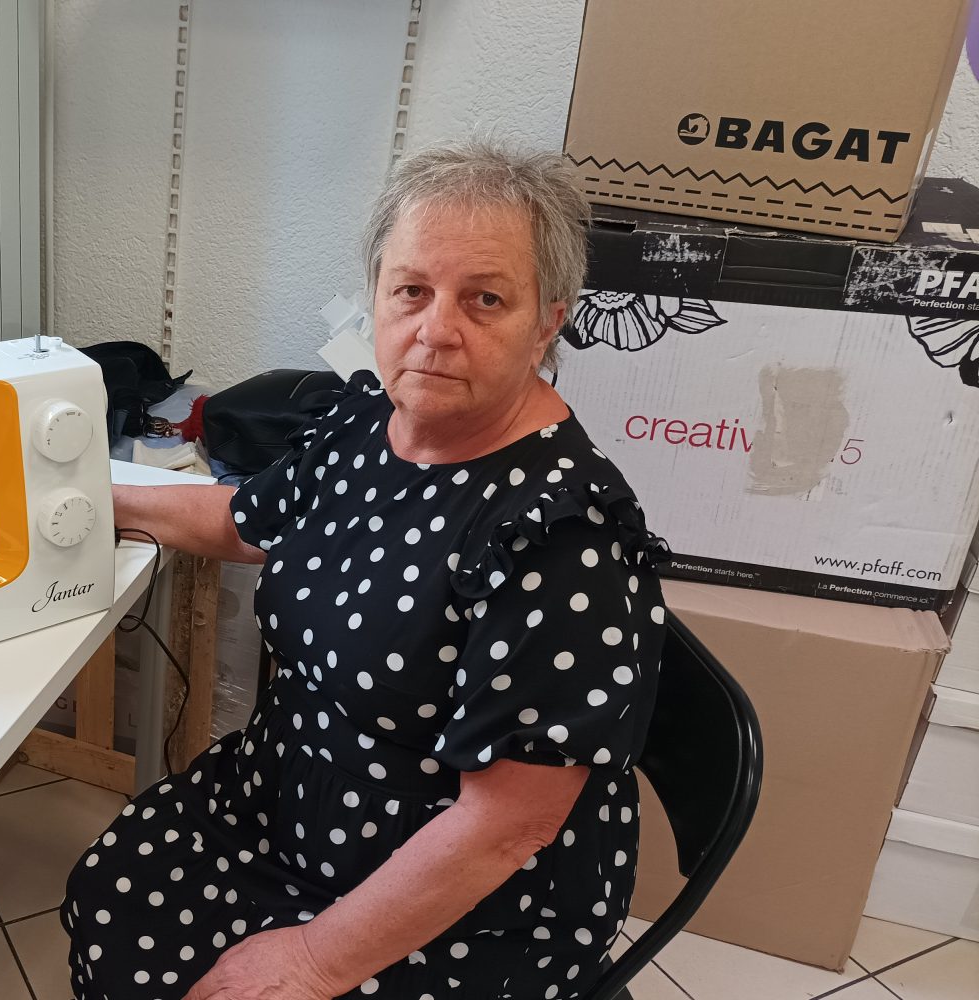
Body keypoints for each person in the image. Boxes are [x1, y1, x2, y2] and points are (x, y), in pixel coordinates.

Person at [60, 142, 667, 1000]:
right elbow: (247, 519)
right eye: (411, 290)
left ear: (546, 323)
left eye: (485, 299)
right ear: (377, 294)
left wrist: (312, 961)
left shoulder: (560, 537)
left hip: (461, 890)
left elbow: (508, 826)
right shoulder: (370, 423)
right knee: (111, 890)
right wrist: (85, 497)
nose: (436, 330)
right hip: (293, 796)